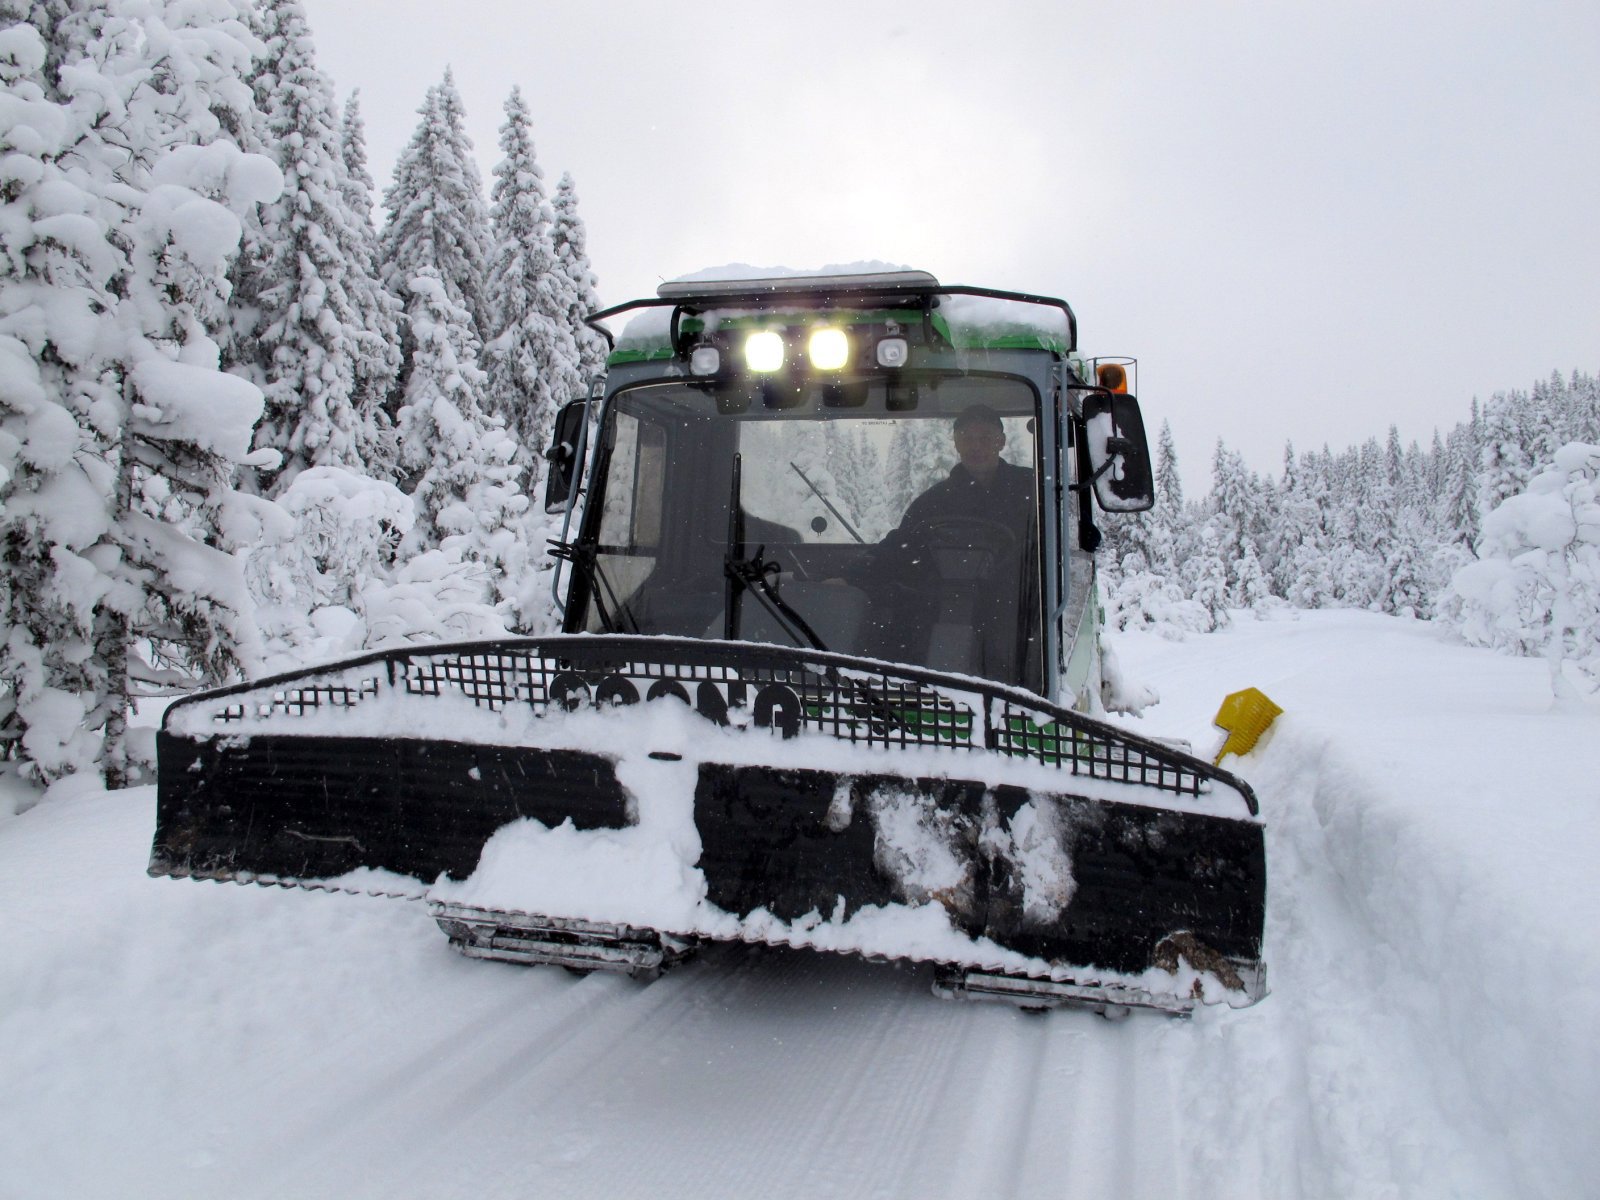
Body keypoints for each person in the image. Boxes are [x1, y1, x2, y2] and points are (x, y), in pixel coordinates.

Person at [856, 403, 1039, 680]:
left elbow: (1057, 544)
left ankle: (1023, 694)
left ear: (1001, 441)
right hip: (941, 606)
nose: (975, 446)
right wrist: (849, 576)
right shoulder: (933, 503)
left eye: (985, 438)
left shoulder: (1032, 490)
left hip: (1016, 606)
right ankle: (914, 689)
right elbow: (899, 547)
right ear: (955, 442)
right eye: (966, 437)